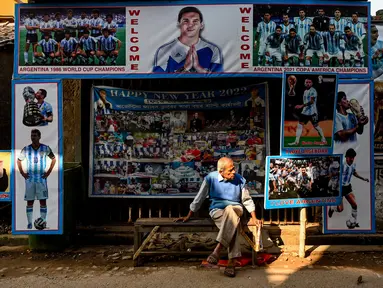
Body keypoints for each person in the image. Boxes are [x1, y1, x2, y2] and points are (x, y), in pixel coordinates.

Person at [176, 157, 261, 277]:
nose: (234, 172)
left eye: (234, 169)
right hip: (217, 211)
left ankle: (218, 249)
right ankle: (231, 262)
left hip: (236, 209)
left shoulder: (240, 180)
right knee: (233, 224)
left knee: (231, 210)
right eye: (230, 170)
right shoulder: (210, 178)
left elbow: (246, 200)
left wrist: (254, 217)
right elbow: (200, 197)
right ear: (221, 172)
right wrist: (189, 214)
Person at [153, 6, 223, 73]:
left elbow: (219, 80)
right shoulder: (164, 50)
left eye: (195, 21)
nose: (190, 25)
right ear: (178, 24)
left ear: (201, 25)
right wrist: (185, 68)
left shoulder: (213, 50)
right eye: (186, 21)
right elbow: (159, 81)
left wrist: (198, 68)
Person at [17, 129, 56, 229]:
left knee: (42, 201)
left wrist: (48, 172)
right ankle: (29, 223)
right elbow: (18, 161)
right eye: (32, 135)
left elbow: (54, 159)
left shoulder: (45, 148)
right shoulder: (26, 149)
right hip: (30, 180)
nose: (33, 137)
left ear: (39, 137)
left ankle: (43, 222)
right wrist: (22, 173)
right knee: (30, 201)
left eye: (35, 135)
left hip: (41, 179)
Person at [328, 148, 369, 229]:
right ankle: (332, 208)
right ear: (346, 157)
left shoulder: (353, 164)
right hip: (340, 188)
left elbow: (354, 172)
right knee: (340, 209)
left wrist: (363, 178)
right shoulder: (342, 164)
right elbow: (333, 173)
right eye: (350, 157)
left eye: (353, 157)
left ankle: (354, 221)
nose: (352, 159)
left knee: (354, 205)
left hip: (347, 187)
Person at [288, 78, 327, 146]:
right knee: (299, 125)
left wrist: (301, 106)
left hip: (312, 112)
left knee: (316, 126)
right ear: (305, 83)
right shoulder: (305, 91)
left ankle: (323, 140)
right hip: (305, 112)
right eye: (307, 82)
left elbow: (312, 101)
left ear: (311, 83)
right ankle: (296, 142)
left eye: (309, 82)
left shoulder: (313, 90)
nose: (308, 83)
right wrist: (303, 107)